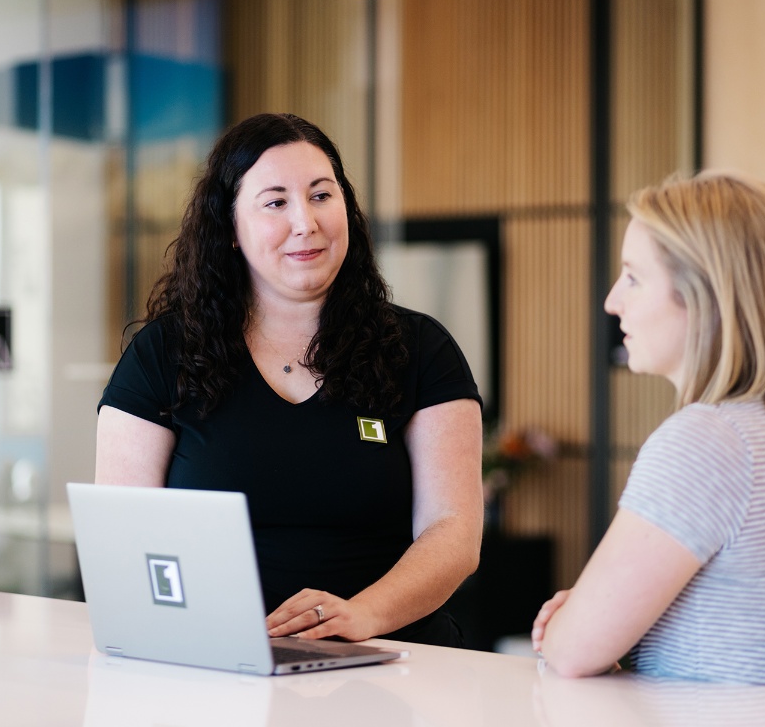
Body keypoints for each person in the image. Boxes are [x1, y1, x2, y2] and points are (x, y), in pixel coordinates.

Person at [95, 113, 483, 647]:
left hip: (392, 653)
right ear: (230, 228)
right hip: (218, 661)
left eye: (322, 196)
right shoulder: (163, 354)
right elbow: (122, 539)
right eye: (276, 202)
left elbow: (455, 532)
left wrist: (361, 616)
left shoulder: (420, 349)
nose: (306, 222)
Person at [530, 172, 765, 695]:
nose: (612, 301)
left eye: (634, 278)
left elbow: (572, 650)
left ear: (704, 294)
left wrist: (572, 620)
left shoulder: (707, 442)